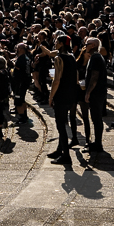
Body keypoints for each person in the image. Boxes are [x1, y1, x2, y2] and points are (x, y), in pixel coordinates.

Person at [47, 33, 78, 166]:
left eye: (57, 42)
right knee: (64, 123)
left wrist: (51, 96)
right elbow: (76, 77)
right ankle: (60, 150)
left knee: (61, 125)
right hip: (72, 94)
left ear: (61, 44)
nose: (55, 43)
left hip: (62, 95)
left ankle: (66, 155)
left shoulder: (58, 59)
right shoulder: (72, 57)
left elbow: (57, 80)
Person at [83, 37, 108, 155]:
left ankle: (98, 143)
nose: (85, 46)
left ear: (92, 45)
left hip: (96, 93)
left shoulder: (96, 58)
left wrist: (88, 92)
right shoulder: (94, 57)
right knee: (96, 118)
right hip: (98, 92)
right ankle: (97, 142)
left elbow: (94, 77)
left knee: (96, 118)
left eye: (87, 44)